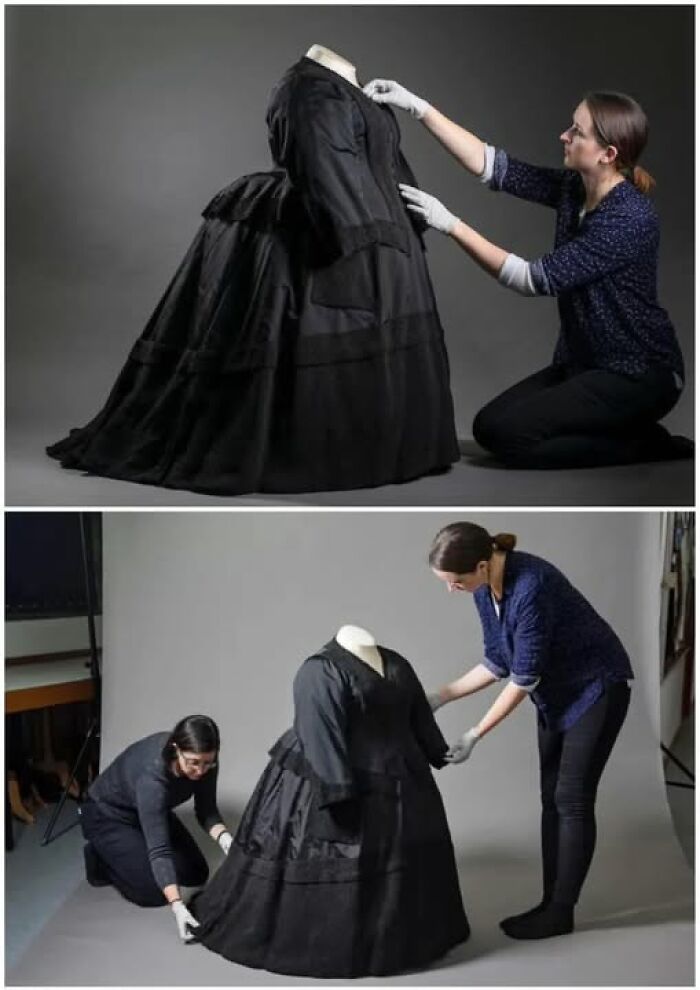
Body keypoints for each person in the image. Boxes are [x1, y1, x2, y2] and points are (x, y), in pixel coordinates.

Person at [46, 47, 458, 495]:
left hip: (369, 228)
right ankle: (313, 449)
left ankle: (378, 442)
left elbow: (371, 162)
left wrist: (401, 221)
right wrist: (357, 239)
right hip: (334, 229)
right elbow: (323, 165)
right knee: (307, 336)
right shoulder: (309, 88)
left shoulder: (340, 85)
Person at [364, 79, 690, 469]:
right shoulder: (576, 186)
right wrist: (416, 106)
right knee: (489, 428)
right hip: (583, 363)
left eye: (577, 132)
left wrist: (450, 223)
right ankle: (626, 433)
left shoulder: (628, 218)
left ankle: (644, 444)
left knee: (512, 439)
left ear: (608, 153)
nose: (563, 135)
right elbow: (493, 167)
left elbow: (532, 279)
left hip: (638, 374)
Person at [189, 626, 469, 977]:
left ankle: (399, 940)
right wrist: (338, 794)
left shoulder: (395, 662)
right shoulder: (318, 670)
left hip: (400, 778)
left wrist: (436, 749)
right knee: (335, 855)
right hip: (336, 777)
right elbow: (320, 734)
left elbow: (416, 713)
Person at [426, 522, 633, 939]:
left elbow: (523, 678)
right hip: (555, 695)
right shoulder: (484, 588)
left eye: (456, 582)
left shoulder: (532, 586)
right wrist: (438, 697)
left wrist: (474, 733)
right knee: (550, 799)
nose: (453, 590)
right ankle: (548, 903)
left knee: (571, 800)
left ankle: (561, 912)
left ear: (482, 565)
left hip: (597, 687)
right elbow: (497, 662)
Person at [78, 715, 232, 942]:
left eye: (207, 762)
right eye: (193, 762)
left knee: (196, 872)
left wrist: (226, 840)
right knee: (153, 893)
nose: (200, 771)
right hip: (108, 816)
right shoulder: (153, 779)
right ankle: (99, 857)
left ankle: (131, 850)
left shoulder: (206, 762)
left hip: (149, 811)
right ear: (176, 749)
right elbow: (159, 850)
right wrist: (178, 907)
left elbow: (206, 810)